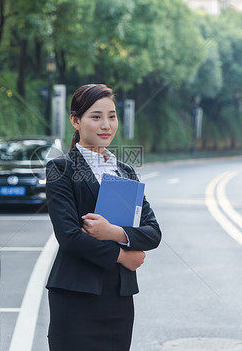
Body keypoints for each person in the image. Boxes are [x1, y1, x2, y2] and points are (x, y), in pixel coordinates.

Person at [45, 83, 161, 351]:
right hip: (75, 293)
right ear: (76, 121)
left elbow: (153, 232)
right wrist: (122, 255)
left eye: (112, 116)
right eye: (95, 117)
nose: (106, 125)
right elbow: (70, 237)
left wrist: (113, 232)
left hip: (119, 297)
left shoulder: (125, 172)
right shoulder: (61, 169)